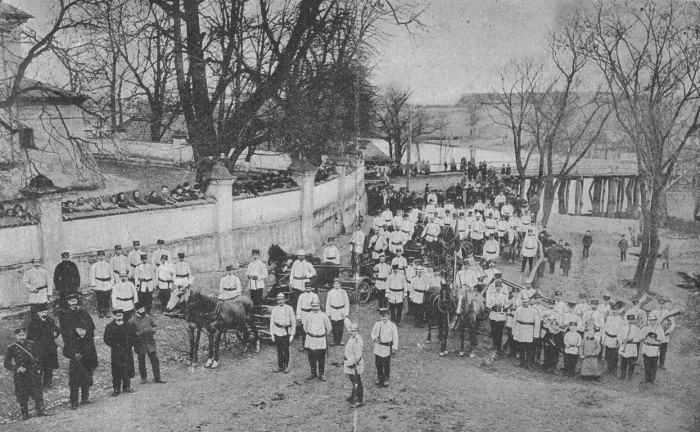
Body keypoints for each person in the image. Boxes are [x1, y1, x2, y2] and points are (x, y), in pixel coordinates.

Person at [4, 327, 53, 420]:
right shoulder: (12, 348)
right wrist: (17, 368)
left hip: (33, 372)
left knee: (37, 392)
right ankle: (25, 414)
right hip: (21, 375)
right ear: (16, 336)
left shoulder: (32, 344)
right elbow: (6, 363)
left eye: (23, 335)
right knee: (22, 394)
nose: (22, 337)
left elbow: (39, 358)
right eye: (20, 335)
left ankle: (41, 410)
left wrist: (39, 369)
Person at [62, 316, 98, 409]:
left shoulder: (89, 338)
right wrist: (74, 356)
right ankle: (74, 402)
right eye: (80, 330)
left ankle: (85, 398)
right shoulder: (71, 339)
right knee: (74, 384)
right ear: (76, 329)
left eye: (84, 330)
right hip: (76, 365)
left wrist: (94, 363)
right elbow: (65, 352)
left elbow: (93, 351)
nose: (83, 332)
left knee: (86, 381)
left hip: (87, 363)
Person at [130, 302, 166, 385]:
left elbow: (154, 325)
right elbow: (130, 333)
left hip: (150, 342)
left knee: (155, 360)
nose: (142, 310)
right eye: (140, 309)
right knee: (141, 361)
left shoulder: (148, 317)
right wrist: (136, 334)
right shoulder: (132, 321)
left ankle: (157, 378)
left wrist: (154, 329)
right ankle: (143, 378)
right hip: (140, 343)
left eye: (143, 308)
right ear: (136, 310)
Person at [103, 309, 137, 396]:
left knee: (127, 368)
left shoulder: (128, 324)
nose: (119, 317)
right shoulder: (110, 326)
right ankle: (116, 389)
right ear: (114, 316)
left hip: (127, 350)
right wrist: (114, 345)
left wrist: (129, 344)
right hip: (116, 352)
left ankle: (127, 387)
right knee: (116, 370)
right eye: (117, 315)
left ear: (123, 315)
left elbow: (134, 336)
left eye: (120, 315)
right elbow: (106, 339)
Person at [27, 305, 60, 389]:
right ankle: (36, 385)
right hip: (39, 349)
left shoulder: (49, 320)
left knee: (49, 367)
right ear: (38, 313)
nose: (44, 313)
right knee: (39, 367)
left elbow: (57, 329)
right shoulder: (33, 323)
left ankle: (47, 384)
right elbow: (32, 337)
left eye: (45, 312)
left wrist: (55, 333)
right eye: (42, 312)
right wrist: (50, 334)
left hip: (50, 347)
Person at [302, 299, 331, 381]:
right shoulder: (308, 315)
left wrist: (323, 335)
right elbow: (304, 325)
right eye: (313, 306)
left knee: (321, 357)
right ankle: (313, 373)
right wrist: (308, 332)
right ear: (311, 306)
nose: (315, 308)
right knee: (311, 357)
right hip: (311, 340)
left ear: (319, 306)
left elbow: (329, 328)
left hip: (320, 340)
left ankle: (321, 374)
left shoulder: (323, 315)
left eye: (316, 306)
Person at [371, 308, 398, 387]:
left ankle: (386, 378)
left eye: (386, 316)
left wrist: (394, 348)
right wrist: (375, 338)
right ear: (380, 316)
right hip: (378, 346)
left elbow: (395, 337)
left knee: (386, 363)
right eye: (382, 317)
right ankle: (380, 377)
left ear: (388, 316)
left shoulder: (392, 325)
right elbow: (373, 333)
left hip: (387, 347)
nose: (384, 318)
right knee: (378, 363)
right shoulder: (377, 324)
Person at [270, 293, 296, 373]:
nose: (280, 301)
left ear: (284, 300)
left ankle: (286, 366)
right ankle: (280, 366)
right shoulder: (275, 309)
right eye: (278, 300)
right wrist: (272, 334)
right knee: (279, 350)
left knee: (286, 349)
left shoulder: (289, 308)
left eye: (281, 299)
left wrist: (292, 334)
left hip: (286, 332)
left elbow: (293, 322)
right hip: (277, 331)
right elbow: (272, 322)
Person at [512, 297, 541, 370]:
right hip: (520, 329)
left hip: (529, 330)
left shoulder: (534, 310)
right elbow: (514, 320)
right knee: (520, 347)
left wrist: (536, 335)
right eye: (523, 302)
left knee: (529, 348)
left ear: (529, 302)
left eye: (526, 302)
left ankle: (529, 364)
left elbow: (537, 323)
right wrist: (514, 331)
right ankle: (521, 362)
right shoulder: (518, 309)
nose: (525, 304)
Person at [651, 298, 675, 370]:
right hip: (655, 334)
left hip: (664, 335)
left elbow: (672, 323)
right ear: (657, 303)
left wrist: (668, 331)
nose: (661, 305)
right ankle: (653, 364)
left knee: (663, 350)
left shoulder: (668, 313)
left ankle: (661, 364)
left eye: (663, 303)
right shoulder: (654, 311)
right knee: (654, 349)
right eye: (660, 303)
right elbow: (649, 322)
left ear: (665, 304)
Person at [344, 322, 365, 408]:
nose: (351, 332)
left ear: (357, 331)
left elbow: (357, 356)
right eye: (351, 330)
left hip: (354, 365)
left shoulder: (357, 340)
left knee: (357, 382)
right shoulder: (353, 337)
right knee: (354, 381)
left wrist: (349, 363)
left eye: (353, 331)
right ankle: (353, 396)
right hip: (350, 363)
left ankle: (359, 400)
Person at [618, 314, 642, 380]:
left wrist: (632, 339)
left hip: (632, 346)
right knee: (623, 361)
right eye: (629, 320)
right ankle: (623, 374)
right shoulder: (623, 327)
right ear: (627, 320)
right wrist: (621, 340)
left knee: (632, 362)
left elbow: (639, 338)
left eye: (632, 320)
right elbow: (619, 336)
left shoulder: (637, 329)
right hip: (624, 346)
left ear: (634, 320)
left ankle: (630, 376)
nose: (630, 321)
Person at [296, 284, 320, 351]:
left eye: (309, 288)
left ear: (311, 288)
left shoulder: (314, 295)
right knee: (304, 331)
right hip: (303, 314)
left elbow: (316, 306)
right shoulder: (301, 296)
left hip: (311, 313)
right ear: (305, 288)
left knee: (312, 330)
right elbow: (298, 306)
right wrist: (299, 316)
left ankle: (312, 346)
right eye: (307, 288)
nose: (308, 289)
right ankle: (304, 346)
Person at [486, 282, 508, 352]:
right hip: (493, 314)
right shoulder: (492, 295)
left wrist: (503, 305)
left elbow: (507, 304)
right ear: (495, 288)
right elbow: (487, 304)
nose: (498, 288)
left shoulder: (504, 295)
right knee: (494, 330)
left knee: (500, 331)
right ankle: (494, 345)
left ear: (502, 288)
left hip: (501, 315)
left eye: (499, 287)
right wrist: (492, 306)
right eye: (497, 287)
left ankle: (499, 346)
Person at [90, 250, 112, 318]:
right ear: (97, 257)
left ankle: (107, 310)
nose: (101, 257)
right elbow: (92, 275)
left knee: (107, 298)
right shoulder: (95, 265)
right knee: (100, 298)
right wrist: (93, 284)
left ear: (104, 256)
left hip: (106, 283)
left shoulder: (108, 264)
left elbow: (111, 274)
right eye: (100, 256)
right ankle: (101, 311)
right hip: (98, 283)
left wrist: (112, 283)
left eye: (102, 256)